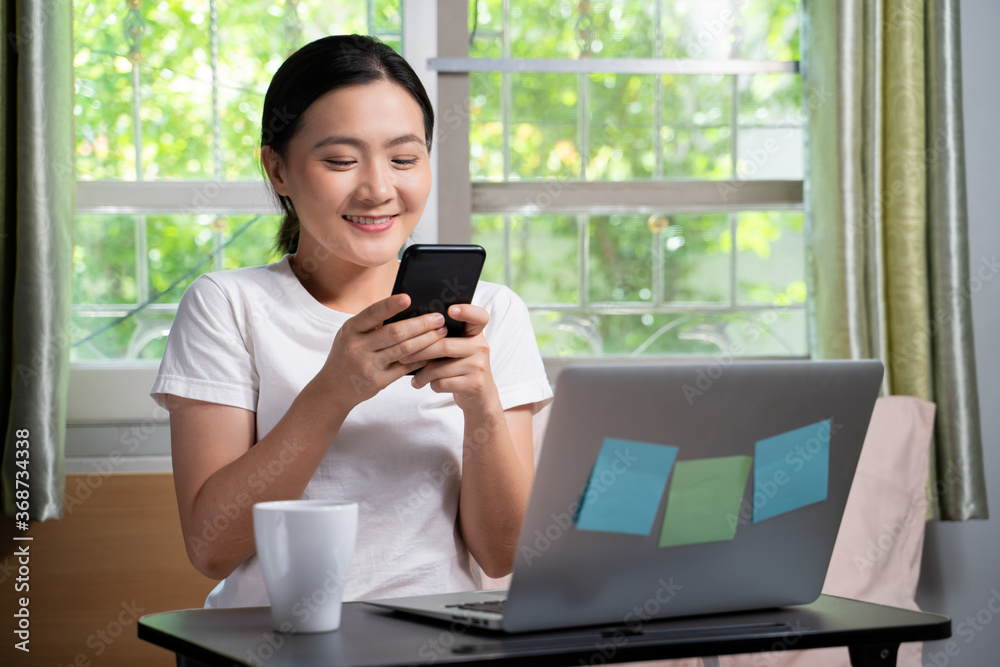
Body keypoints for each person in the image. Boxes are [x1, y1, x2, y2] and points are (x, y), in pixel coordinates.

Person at [150, 35, 552, 608]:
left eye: (405, 159)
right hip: (277, 643)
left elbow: (503, 553)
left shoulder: (493, 314)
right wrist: (334, 390)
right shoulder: (227, 304)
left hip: (439, 643)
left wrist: (481, 405)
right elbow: (211, 549)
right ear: (278, 170)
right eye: (340, 160)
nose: (378, 189)